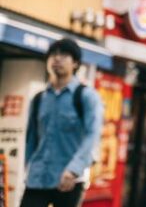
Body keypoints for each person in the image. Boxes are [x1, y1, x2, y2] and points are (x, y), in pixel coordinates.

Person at [23, 37, 104, 207]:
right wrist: (26, 167)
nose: (57, 59)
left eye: (64, 55)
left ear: (75, 63)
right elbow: (31, 139)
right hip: (37, 178)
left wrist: (74, 169)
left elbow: (93, 136)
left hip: (69, 180)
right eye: (53, 54)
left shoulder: (86, 97)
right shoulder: (38, 99)